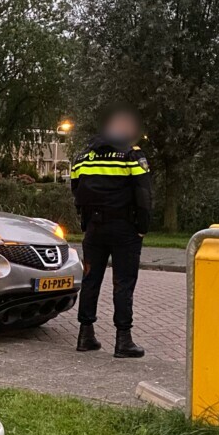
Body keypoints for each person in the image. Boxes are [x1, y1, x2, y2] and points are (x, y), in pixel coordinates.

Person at [70, 108, 153, 357]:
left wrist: (85, 223)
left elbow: (76, 191)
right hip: (124, 228)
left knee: (90, 280)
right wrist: (142, 228)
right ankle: (123, 340)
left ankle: (85, 335)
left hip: (94, 228)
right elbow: (144, 195)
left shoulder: (84, 156)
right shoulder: (131, 155)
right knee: (123, 283)